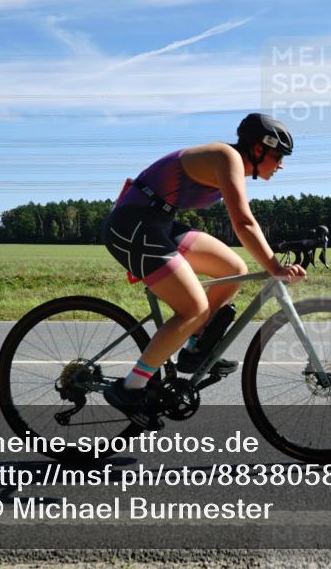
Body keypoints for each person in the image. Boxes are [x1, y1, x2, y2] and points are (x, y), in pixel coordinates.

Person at [102, 113, 307, 426]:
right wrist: (276, 267)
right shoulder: (227, 157)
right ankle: (130, 387)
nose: (280, 164)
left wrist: (273, 259)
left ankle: (195, 347)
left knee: (233, 268)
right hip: (133, 225)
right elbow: (243, 222)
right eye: (278, 156)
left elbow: (244, 225)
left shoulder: (231, 162)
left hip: (159, 222)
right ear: (258, 149)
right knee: (194, 308)